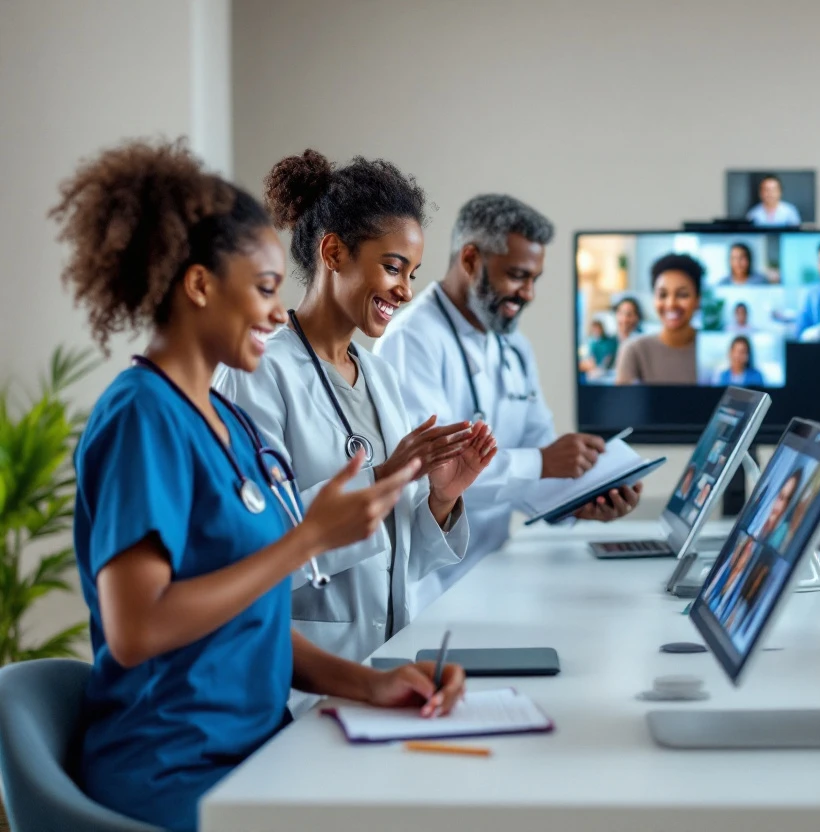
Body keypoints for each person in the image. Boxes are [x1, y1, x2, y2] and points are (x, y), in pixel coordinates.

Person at [55, 139, 466, 832]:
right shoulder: (141, 417)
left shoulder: (228, 430)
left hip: (258, 744)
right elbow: (137, 629)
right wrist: (307, 536)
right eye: (267, 289)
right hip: (179, 765)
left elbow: (256, 619)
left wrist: (375, 683)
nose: (280, 315)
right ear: (199, 286)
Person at [215, 150, 495, 663]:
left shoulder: (381, 376)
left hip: (385, 658)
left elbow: (399, 557)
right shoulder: (255, 370)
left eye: (412, 273)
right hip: (295, 671)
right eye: (393, 267)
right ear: (334, 252)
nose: (405, 291)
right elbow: (248, 545)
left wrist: (440, 498)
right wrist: (386, 475)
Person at [374, 194, 640, 610]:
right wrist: (543, 462)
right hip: (430, 589)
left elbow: (539, 443)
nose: (528, 293)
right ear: (470, 260)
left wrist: (579, 502)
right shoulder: (413, 340)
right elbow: (434, 476)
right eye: (517, 276)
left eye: (535, 278)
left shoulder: (512, 344)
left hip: (494, 570)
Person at [616, 253, 702, 385]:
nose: (671, 304)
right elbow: (621, 404)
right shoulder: (634, 350)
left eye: (682, 294)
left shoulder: (714, 349)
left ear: (697, 300)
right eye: (662, 294)